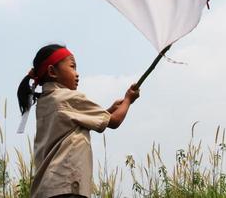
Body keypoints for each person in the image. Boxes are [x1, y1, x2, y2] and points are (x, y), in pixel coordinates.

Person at [17, 44, 140, 198]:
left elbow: (74, 123)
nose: (77, 74)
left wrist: (107, 111)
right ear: (52, 72)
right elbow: (114, 122)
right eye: (72, 67)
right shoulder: (68, 98)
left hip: (47, 189)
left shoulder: (44, 102)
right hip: (67, 186)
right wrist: (128, 99)